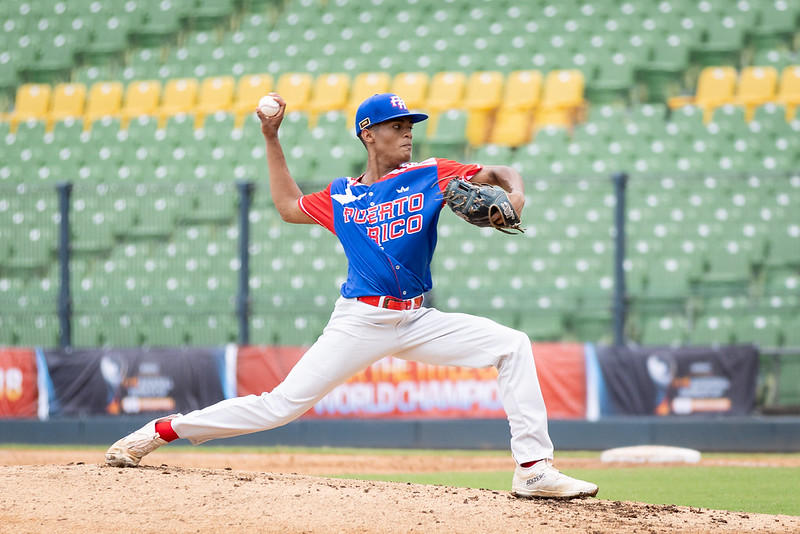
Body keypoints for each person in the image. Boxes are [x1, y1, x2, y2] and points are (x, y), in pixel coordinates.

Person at [105, 93, 598, 499]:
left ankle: (533, 470)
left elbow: (501, 172)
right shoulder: (342, 194)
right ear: (368, 134)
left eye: (409, 125)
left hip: (416, 319)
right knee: (280, 407)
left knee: (512, 345)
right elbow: (287, 205)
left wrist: (516, 196)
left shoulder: (431, 172)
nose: (407, 132)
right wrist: (271, 138)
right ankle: (164, 430)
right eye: (396, 125)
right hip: (359, 321)